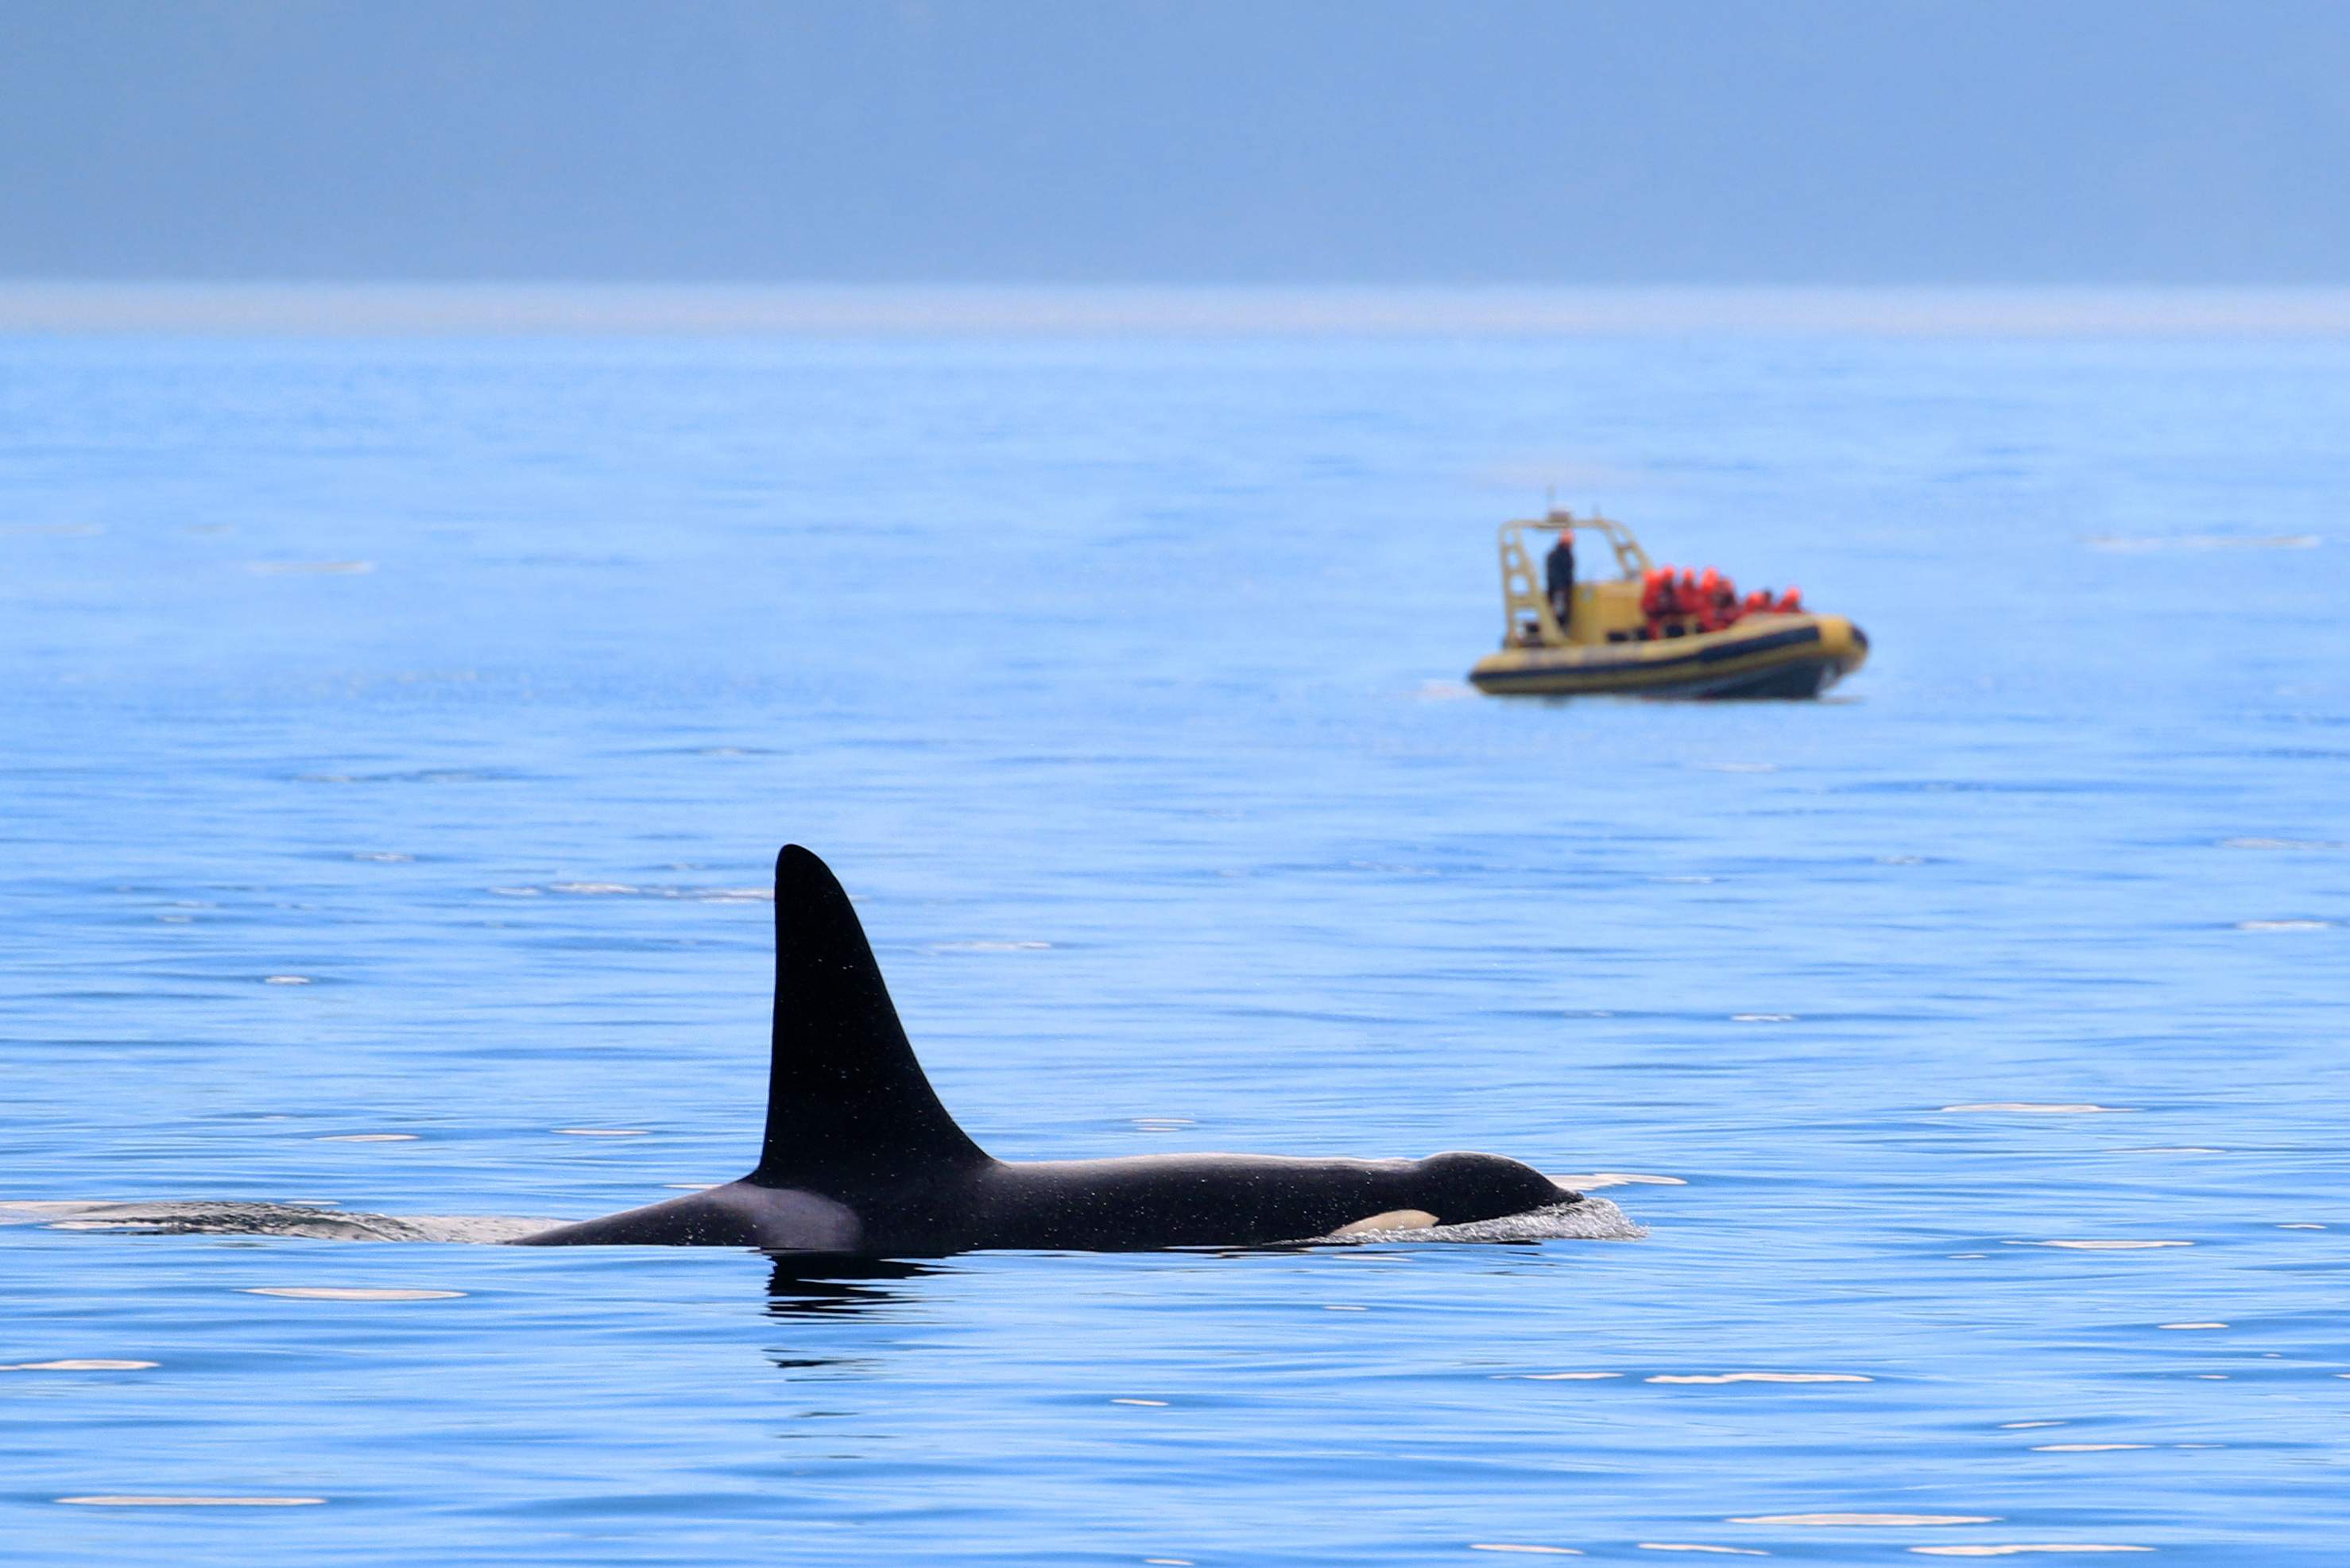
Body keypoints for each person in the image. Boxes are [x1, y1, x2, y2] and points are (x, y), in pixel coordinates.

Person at [1544, 528, 1576, 632]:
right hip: (1558, 591)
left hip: (1565, 590)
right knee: (1559, 613)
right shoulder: (1555, 555)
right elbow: (1553, 575)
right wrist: (1560, 588)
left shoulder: (1568, 555)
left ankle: (1564, 628)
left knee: (1564, 613)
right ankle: (1560, 630)